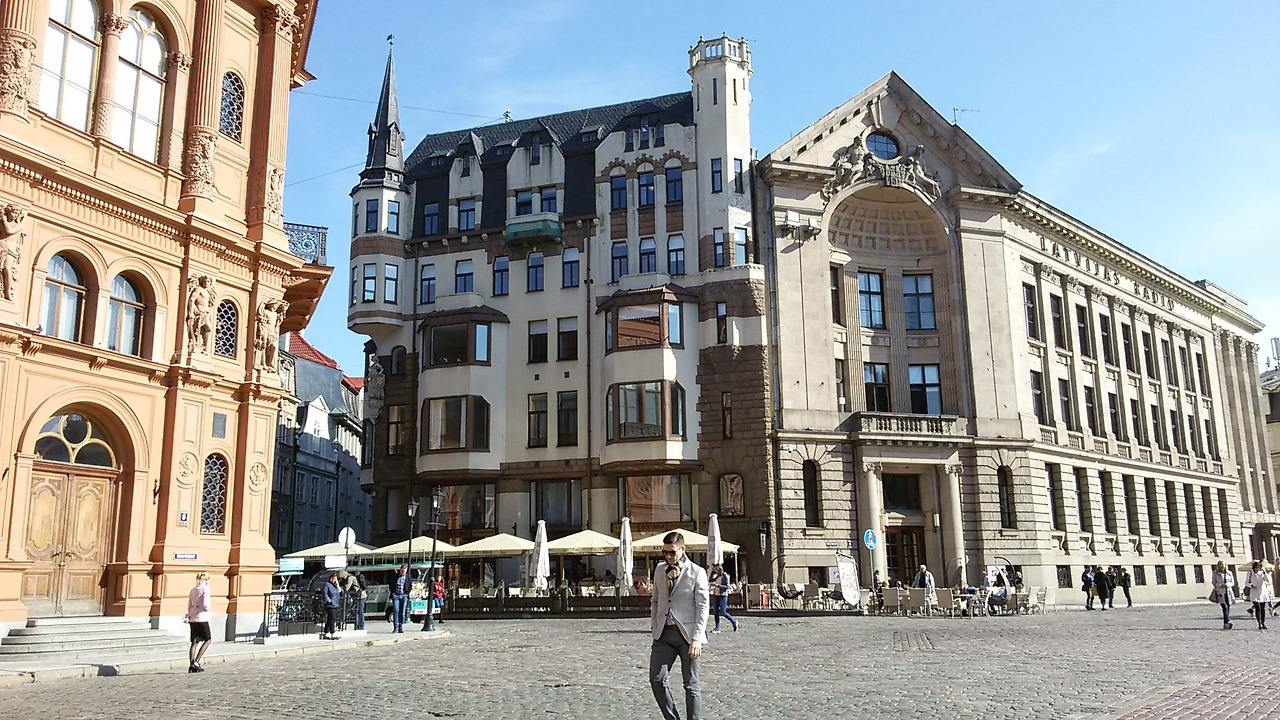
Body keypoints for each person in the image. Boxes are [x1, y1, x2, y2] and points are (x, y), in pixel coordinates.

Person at [649, 531, 709, 720]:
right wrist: (654, 624)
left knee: (691, 684)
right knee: (656, 679)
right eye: (664, 552)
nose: (668, 556)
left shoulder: (697, 572)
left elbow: (702, 606)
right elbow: (655, 600)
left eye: (672, 552)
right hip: (663, 634)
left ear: (683, 549)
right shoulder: (659, 570)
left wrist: (697, 638)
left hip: (687, 636)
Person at [186, 572, 212, 673]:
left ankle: (191, 664)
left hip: (193, 617)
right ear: (206, 580)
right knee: (208, 639)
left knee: (194, 641)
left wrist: (190, 614)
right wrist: (208, 609)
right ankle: (196, 662)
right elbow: (205, 604)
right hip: (202, 617)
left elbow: (189, 605)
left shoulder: (193, 590)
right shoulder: (206, 588)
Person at [1243, 560, 1273, 630]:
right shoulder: (1250, 573)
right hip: (1254, 592)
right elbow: (1246, 583)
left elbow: (1268, 580)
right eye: (1257, 567)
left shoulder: (1262, 573)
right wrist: (1251, 585)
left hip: (1262, 592)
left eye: (1259, 567)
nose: (1258, 568)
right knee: (1257, 607)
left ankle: (1263, 622)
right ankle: (1259, 623)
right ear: (1254, 567)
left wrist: (1264, 572)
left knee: (1262, 608)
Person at [708, 563, 738, 633]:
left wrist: (718, 586)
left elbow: (727, 586)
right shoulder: (717, 576)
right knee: (715, 612)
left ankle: (733, 621)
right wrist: (712, 572)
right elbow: (710, 580)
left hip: (723, 595)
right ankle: (717, 627)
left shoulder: (725, 576)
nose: (715, 571)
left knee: (723, 612)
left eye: (716, 570)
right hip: (716, 595)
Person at [1211, 560, 1235, 630]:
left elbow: (1232, 582)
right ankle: (1226, 622)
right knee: (1224, 606)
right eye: (1220, 564)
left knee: (1228, 606)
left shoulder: (1229, 573)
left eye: (1222, 564)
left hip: (1228, 592)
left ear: (1225, 565)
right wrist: (1220, 585)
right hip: (1220, 592)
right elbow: (1213, 582)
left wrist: (1227, 585)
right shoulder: (1215, 573)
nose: (1221, 566)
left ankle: (1226, 622)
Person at [320, 572, 341, 640]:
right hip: (330, 605)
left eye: (335, 578)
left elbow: (341, 592)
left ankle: (326, 632)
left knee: (330, 619)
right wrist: (328, 600)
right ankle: (332, 632)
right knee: (332, 618)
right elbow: (324, 593)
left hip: (335, 604)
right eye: (333, 578)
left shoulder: (335, 586)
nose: (334, 580)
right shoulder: (327, 584)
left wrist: (338, 585)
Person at [390, 564, 410, 633]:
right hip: (396, 595)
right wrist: (393, 593)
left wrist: (407, 593)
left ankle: (400, 627)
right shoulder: (395, 576)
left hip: (404, 595)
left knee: (402, 612)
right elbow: (391, 584)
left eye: (404, 571)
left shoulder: (408, 577)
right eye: (402, 571)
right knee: (396, 610)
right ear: (400, 570)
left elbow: (410, 585)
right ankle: (395, 626)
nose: (403, 573)